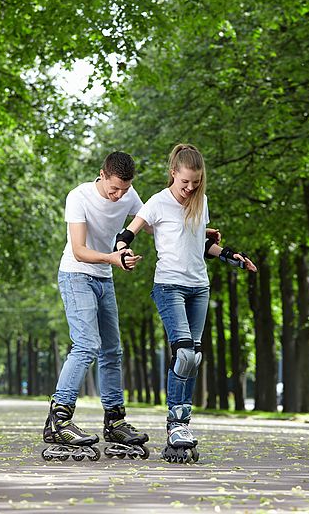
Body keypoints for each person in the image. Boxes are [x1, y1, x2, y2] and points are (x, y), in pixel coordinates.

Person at [115, 143, 257, 463]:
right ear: (173, 173)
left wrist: (234, 256)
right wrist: (122, 252)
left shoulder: (200, 201)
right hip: (168, 285)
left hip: (199, 287)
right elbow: (128, 233)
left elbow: (202, 246)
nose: (190, 188)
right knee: (183, 353)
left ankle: (182, 423)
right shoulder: (157, 203)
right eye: (185, 182)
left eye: (196, 182)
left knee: (194, 357)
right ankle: (176, 423)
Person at [42, 151, 151, 461]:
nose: (119, 196)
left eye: (125, 190)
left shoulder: (129, 195)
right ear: (102, 175)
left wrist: (196, 232)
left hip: (104, 279)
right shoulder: (78, 196)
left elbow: (153, 223)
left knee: (113, 351)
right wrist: (113, 258)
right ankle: (59, 419)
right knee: (87, 344)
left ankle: (115, 420)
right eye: (114, 188)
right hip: (76, 276)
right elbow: (78, 250)